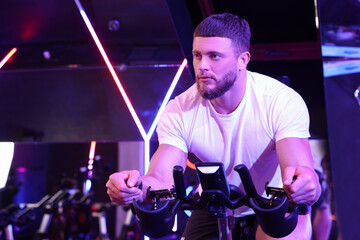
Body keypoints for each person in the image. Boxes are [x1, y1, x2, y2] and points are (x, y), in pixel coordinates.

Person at [106, 13, 321, 240]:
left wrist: (307, 186)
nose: (202, 66)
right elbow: (161, 179)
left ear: (242, 60)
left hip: (273, 200)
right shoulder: (179, 109)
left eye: (214, 56)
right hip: (215, 202)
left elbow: (302, 173)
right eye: (197, 55)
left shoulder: (280, 101)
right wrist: (135, 188)